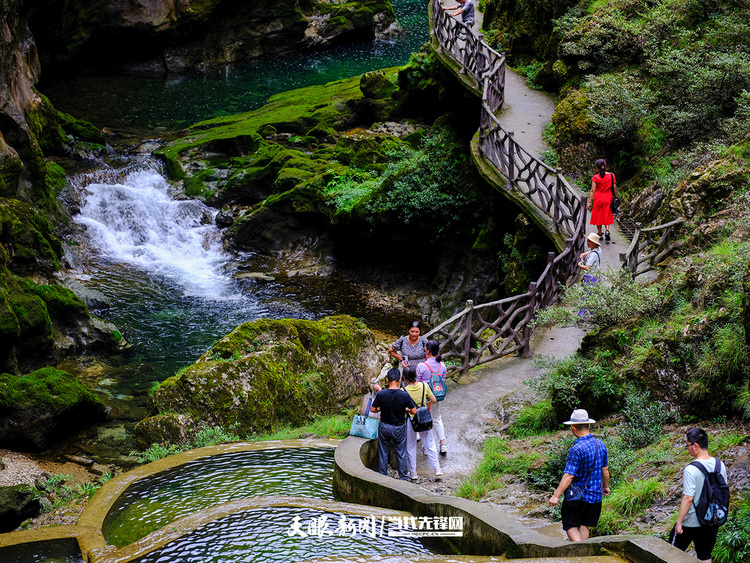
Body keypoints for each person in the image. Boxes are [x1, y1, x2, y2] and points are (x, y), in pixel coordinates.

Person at [548, 409, 610, 542]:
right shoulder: (601, 445)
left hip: (578, 497)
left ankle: (579, 551)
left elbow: (568, 476)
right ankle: (584, 552)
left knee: (570, 524)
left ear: (574, 428)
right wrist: (605, 487)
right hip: (596, 495)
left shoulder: (576, 449)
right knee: (584, 523)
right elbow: (605, 470)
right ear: (588, 425)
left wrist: (555, 496)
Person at [671, 427, 729, 562]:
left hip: (691, 522)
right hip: (711, 520)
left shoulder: (691, 469)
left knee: (671, 552)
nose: (687, 448)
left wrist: (679, 523)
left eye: (688, 445)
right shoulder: (720, 465)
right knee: (705, 555)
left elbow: (688, 498)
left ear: (695, 446)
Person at [370, 368, 417, 481]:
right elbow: (414, 411)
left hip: (384, 426)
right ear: (400, 380)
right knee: (401, 453)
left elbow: (372, 409)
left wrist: (380, 408)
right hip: (399, 427)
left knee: (383, 452)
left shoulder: (381, 394)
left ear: (387, 380)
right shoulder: (404, 395)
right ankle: (403, 478)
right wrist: (406, 410)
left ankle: (383, 475)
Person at [403, 368, 443, 479]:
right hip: (424, 418)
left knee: (410, 446)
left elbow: (403, 407)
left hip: (411, 420)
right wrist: (427, 405)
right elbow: (434, 399)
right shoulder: (424, 386)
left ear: (405, 379)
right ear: (416, 375)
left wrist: (409, 410)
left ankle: (413, 472)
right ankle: (437, 469)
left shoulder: (403, 391)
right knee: (430, 443)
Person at [416, 339, 448, 455]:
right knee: (437, 419)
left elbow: (417, 383)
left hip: (424, 398)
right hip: (436, 397)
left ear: (428, 351)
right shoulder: (442, 366)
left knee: (425, 421)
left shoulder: (422, 366)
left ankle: (427, 446)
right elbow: (443, 381)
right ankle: (443, 444)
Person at [588, 159, 617, 242]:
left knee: (598, 215)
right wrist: (615, 196)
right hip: (608, 197)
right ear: (605, 166)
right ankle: (607, 231)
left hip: (598, 198)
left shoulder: (595, 177)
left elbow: (592, 191)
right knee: (607, 213)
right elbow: (614, 187)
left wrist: (589, 202)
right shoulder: (611, 175)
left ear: (597, 168)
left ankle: (600, 234)